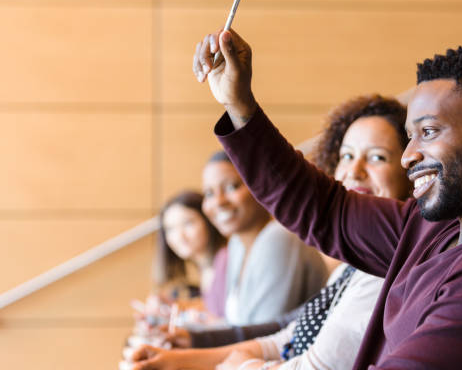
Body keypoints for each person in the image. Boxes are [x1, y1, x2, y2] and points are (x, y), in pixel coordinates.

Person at [188, 29, 462, 369]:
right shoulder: (435, 227)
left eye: (428, 132)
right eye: (410, 135)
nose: (409, 154)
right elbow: (322, 208)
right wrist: (238, 103)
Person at [130, 94, 412, 369]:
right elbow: (285, 335)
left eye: (376, 157)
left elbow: (304, 359)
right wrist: (176, 359)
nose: (354, 170)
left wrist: (237, 364)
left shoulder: (283, 241)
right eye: (346, 156)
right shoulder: (350, 267)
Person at [202, 151, 328, 326]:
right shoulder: (236, 244)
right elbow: (235, 326)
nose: (218, 201)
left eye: (231, 187)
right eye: (209, 193)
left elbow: (260, 332)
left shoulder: (278, 238)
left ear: (262, 186)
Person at [153, 190, 227, 317]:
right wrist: (176, 306)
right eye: (170, 229)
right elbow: (213, 307)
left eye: (188, 223)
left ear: (208, 221)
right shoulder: (206, 269)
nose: (179, 236)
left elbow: (226, 316)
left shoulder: (225, 260)